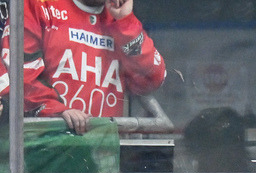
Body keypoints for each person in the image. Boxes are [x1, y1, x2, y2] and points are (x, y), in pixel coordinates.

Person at [1, 0, 166, 134]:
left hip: (103, 154)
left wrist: (126, 22)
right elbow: (17, 73)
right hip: (44, 148)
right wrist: (57, 111)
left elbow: (151, 79)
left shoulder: (119, 17)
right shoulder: (39, 4)